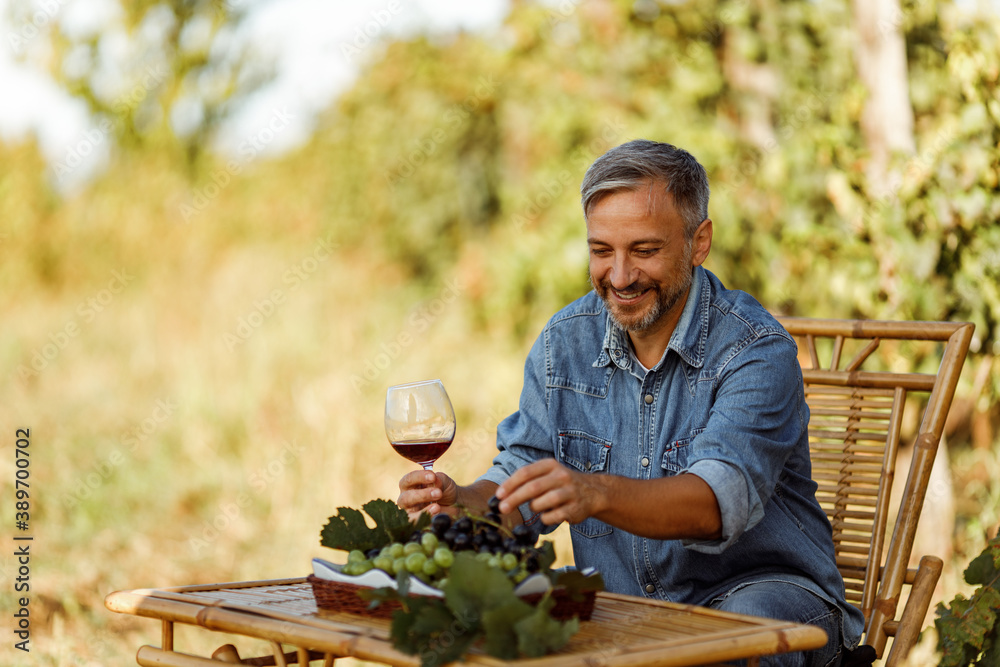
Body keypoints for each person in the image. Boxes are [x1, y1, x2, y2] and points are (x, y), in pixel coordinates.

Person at [398, 139, 865, 667]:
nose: (619, 277)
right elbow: (523, 471)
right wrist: (466, 500)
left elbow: (715, 503)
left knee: (728, 645)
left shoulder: (757, 351)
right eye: (602, 251)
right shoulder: (563, 343)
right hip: (622, 616)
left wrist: (594, 492)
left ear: (699, 242)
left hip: (763, 597)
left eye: (644, 251)